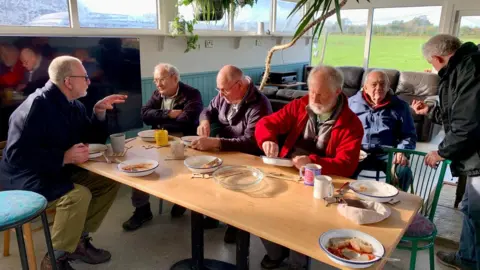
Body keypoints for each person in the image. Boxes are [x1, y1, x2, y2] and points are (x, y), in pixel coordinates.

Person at [0, 56, 128, 270]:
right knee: (78, 196)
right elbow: (15, 156)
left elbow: (91, 140)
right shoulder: (36, 107)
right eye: (85, 77)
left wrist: (98, 112)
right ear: (68, 81)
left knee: (107, 181)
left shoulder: (73, 105)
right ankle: (54, 258)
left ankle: (76, 241)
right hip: (23, 178)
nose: (89, 81)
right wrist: (63, 157)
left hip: (54, 171)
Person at [254, 65, 363, 269]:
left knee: (304, 220)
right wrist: (267, 139)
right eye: (311, 91)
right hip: (289, 172)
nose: (314, 98)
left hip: (322, 184)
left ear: (337, 92)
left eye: (321, 94)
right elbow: (266, 124)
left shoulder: (352, 124)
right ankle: (275, 253)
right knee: (261, 206)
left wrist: (312, 161)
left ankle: (298, 263)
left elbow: (347, 165)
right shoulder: (300, 105)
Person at [411, 34, 480, 270]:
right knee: (471, 211)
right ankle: (467, 259)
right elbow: (454, 114)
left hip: (478, 157)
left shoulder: (469, 71)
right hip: (474, 159)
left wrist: (440, 153)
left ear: (438, 58)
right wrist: (428, 111)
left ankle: (471, 261)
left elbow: (466, 125)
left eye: (432, 64)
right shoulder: (462, 68)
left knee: (477, 215)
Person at [195, 64, 272, 243]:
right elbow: (207, 110)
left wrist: (216, 142)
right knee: (207, 177)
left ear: (239, 85)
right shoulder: (224, 96)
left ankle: (236, 225)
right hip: (224, 151)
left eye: (224, 90)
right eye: (218, 89)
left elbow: (251, 142)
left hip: (249, 157)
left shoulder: (260, 104)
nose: (220, 94)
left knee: (237, 185)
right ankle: (214, 215)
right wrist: (204, 122)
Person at [122, 63, 203, 231]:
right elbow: (144, 114)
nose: (158, 84)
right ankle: (142, 209)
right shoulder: (158, 94)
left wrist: (158, 119)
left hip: (181, 139)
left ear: (174, 78)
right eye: (155, 80)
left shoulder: (192, 94)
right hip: (156, 138)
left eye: (162, 79)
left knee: (181, 169)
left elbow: (186, 120)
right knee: (138, 165)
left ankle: (182, 200)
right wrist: (168, 114)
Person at [349, 70, 416, 191]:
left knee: (404, 172)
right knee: (342, 167)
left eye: (382, 84)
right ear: (365, 87)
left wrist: (401, 151)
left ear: (388, 86)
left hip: (388, 153)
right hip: (358, 152)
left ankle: (396, 202)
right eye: (374, 84)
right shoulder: (351, 104)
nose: (379, 88)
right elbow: (342, 131)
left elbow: (409, 135)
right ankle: (347, 199)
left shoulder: (401, 106)